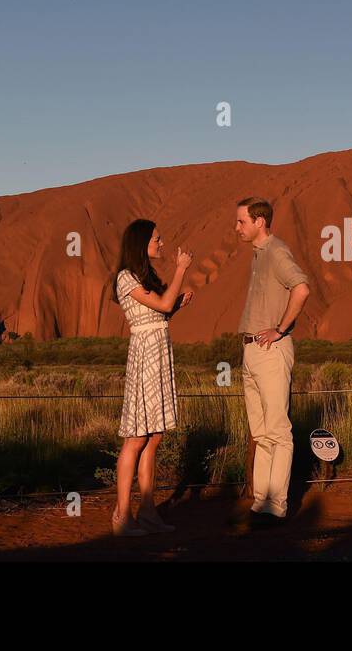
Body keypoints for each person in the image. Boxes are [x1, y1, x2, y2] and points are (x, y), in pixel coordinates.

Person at [111, 219, 194, 536]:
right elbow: (160, 302)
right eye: (157, 239)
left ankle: (147, 512)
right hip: (145, 356)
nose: (161, 243)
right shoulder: (125, 277)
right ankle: (122, 516)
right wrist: (181, 270)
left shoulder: (145, 276)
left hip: (158, 354)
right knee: (136, 437)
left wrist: (177, 307)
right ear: (141, 242)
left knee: (154, 436)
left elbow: (161, 311)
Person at [235, 197, 310, 521]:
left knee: (278, 431)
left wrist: (281, 328)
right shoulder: (259, 255)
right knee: (261, 431)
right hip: (251, 350)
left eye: (241, 222)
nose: (237, 228)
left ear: (259, 222)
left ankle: (276, 505)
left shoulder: (277, 251)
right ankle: (261, 502)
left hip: (270, 351)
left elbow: (302, 288)